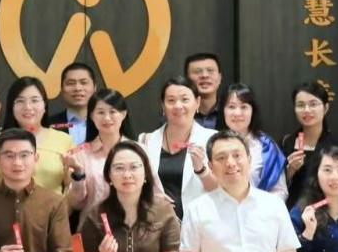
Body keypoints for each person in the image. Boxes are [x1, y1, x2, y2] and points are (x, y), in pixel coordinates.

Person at [66, 89, 158, 219]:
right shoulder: (81, 154)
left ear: (123, 114)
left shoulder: (139, 150)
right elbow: (76, 203)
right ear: (91, 116)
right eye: (101, 112)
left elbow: (156, 193)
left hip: (134, 225)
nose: (107, 118)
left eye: (113, 112)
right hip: (94, 226)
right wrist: (78, 174)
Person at [0, 76, 77, 196]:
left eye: (34, 100)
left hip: (53, 206)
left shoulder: (64, 140)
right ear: (11, 107)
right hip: (6, 206)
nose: (28, 107)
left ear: (44, 106)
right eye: (20, 101)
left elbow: (72, 186)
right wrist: (7, 161)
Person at [138, 78, 217, 218]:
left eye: (185, 99)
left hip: (200, 222)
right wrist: (150, 196)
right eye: (171, 100)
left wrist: (202, 171)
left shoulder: (213, 139)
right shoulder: (146, 141)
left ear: (197, 102)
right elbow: (136, 185)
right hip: (157, 223)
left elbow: (222, 191)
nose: (178, 106)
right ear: (163, 106)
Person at [222, 82, 288, 200]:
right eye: (231, 107)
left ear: (253, 111)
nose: (237, 113)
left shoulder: (267, 146)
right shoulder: (211, 142)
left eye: (244, 107)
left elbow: (280, 191)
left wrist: (260, 209)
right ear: (223, 110)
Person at [282, 80, 337, 208]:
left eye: (313, 104)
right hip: (290, 213)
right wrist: (289, 171)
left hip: (324, 211)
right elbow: (275, 186)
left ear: (326, 108)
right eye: (300, 105)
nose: (306, 110)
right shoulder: (286, 142)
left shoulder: (337, 145)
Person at [43, 62, 98, 146]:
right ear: (61, 89)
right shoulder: (48, 125)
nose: (78, 88)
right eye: (71, 83)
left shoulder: (105, 123)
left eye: (83, 82)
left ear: (94, 88)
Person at [185, 52, 224, 129]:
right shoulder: (179, 113)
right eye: (197, 71)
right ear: (187, 79)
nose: (204, 75)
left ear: (220, 78)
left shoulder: (231, 112)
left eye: (210, 70)